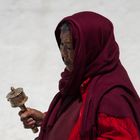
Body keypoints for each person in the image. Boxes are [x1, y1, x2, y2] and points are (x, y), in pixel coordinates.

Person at [19, 11, 140, 140]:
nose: (64, 55)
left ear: (91, 48)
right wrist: (48, 119)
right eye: (61, 45)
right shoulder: (79, 82)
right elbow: (81, 120)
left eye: (70, 47)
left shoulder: (112, 95)